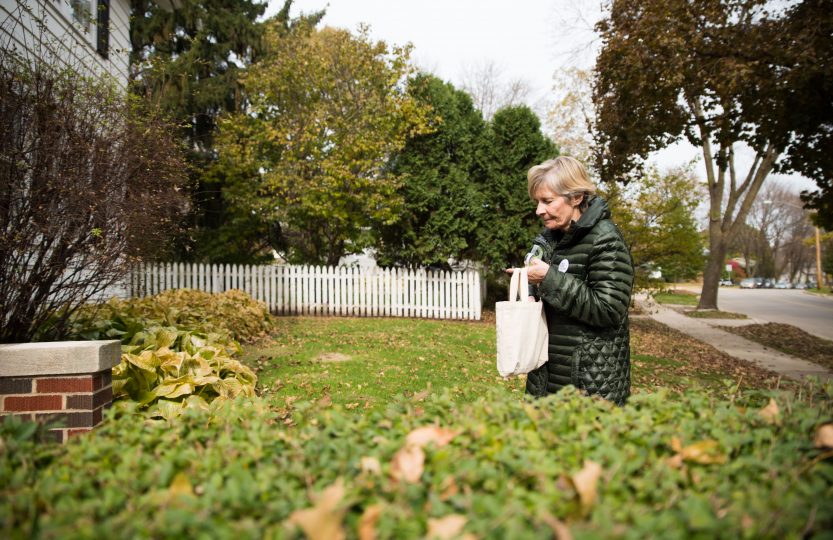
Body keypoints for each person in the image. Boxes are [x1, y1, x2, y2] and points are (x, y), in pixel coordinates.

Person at [509, 156, 633, 405]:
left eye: (547, 201)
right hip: (546, 373)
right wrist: (531, 288)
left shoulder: (606, 240)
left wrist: (548, 279)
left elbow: (609, 310)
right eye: (537, 202)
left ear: (576, 197)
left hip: (590, 380)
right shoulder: (551, 238)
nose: (539, 210)